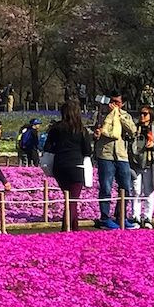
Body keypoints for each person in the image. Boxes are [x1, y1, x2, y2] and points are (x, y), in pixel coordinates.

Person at [42, 98, 96, 231]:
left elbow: (48, 147)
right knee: (72, 200)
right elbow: (87, 151)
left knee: (69, 198)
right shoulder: (81, 130)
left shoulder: (56, 128)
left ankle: (75, 229)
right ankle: (65, 229)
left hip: (59, 166)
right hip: (76, 166)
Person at [94, 93, 134, 200]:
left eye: (117, 102)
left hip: (121, 155)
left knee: (125, 188)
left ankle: (121, 210)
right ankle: (105, 211)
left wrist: (118, 115)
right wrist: (96, 133)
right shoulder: (101, 115)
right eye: (112, 101)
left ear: (123, 104)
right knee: (105, 188)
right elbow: (92, 130)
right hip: (105, 155)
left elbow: (132, 130)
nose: (114, 104)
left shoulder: (126, 115)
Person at [129, 104, 154, 229]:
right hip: (136, 165)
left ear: (150, 116)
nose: (142, 116)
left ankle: (148, 218)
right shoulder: (134, 130)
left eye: (145, 114)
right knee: (136, 191)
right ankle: (135, 217)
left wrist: (153, 145)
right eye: (140, 114)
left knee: (149, 192)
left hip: (150, 165)